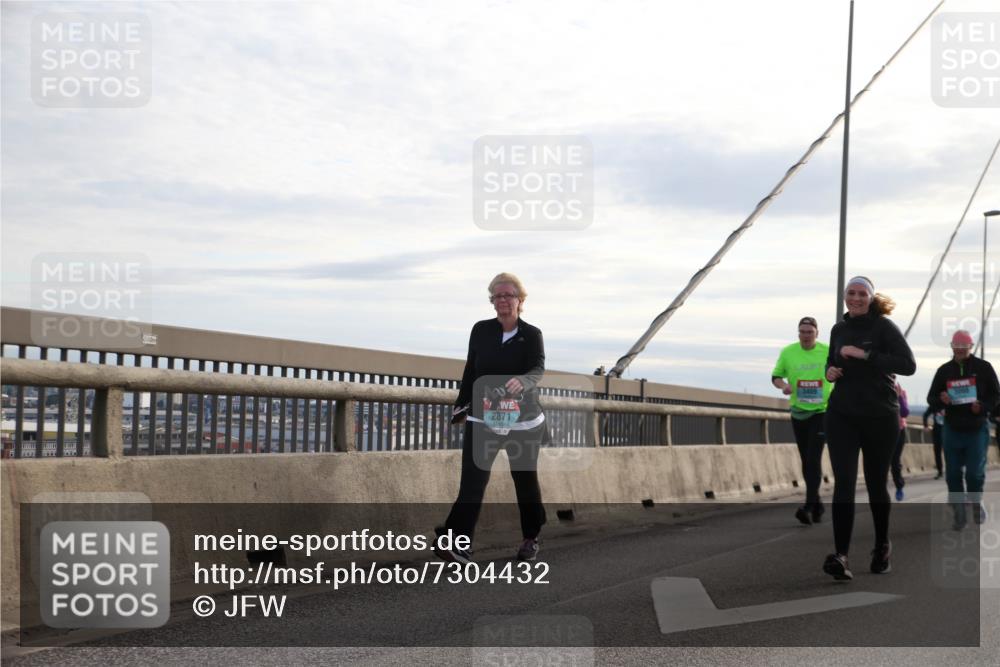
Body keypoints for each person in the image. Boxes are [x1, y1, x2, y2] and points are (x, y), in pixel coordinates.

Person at [435, 273, 547, 563]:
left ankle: (531, 538)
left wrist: (523, 381)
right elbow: (471, 370)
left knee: (524, 480)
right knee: (472, 481)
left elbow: (537, 369)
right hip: (485, 415)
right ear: (492, 301)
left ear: (520, 300)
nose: (503, 300)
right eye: (497, 296)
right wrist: (461, 406)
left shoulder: (531, 334)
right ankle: (455, 542)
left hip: (522, 420)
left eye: (509, 295)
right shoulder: (481, 330)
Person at [822, 276, 916, 581]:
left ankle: (881, 546)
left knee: (876, 484)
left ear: (871, 298)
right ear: (845, 296)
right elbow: (830, 363)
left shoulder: (884, 327)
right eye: (851, 293)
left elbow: (908, 364)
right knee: (844, 484)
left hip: (879, 416)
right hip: (842, 415)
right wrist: (830, 371)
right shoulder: (839, 328)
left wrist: (866, 355)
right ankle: (841, 555)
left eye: (862, 293)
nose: (856, 298)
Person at [925, 329, 999, 530]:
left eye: (962, 346)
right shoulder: (944, 370)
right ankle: (959, 514)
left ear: (970, 346)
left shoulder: (984, 368)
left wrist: (983, 406)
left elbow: (996, 396)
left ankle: (976, 501)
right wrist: (941, 400)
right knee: (953, 475)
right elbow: (931, 398)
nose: (958, 349)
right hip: (952, 428)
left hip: (976, 428)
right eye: (955, 346)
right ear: (951, 347)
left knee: (974, 474)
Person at [771, 316, 831, 525]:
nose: (805, 336)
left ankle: (807, 506)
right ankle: (818, 504)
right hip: (798, 412)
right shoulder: (788, 352)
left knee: (813, 459)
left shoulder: (827, 351)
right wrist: (783, 386)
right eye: (802, 332)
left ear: (816, 334)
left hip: (821, 411)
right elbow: (776, 376)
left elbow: (840, 372)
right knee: (806, 460)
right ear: (798, 333)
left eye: (809, 332)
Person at [889, 378, 909, 501]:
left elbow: (904, 412)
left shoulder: (901, 391)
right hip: (882, 431)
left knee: (895, 462)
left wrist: (899, 397)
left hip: (898, 430)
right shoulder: (877, 390)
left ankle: (899, 486)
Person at [923, 405, 945, 480]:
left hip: (949, 431)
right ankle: (940, 471)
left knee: (950, 451)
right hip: (937, 431)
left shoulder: (951, 403)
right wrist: (926, 426)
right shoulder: (935, 405)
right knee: (937, 451)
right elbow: (925, 415)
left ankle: (953, 470)